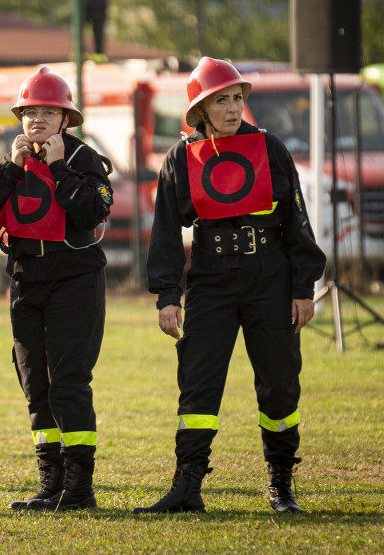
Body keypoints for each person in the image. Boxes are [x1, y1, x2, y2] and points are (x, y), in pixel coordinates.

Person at [135, 57, 327, 516]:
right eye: (222, 100)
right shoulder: (181, 157)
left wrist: (303, 288)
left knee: (279, 386)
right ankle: (187, 487)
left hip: (271, 279)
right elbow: (164, 233)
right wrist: (167, 296)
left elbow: (297, 221)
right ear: (201, 109)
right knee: (197, 385)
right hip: (210, 280)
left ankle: (281, 485)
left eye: (238, 98)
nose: (233, 107)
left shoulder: (271, 147)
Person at [0, 66, 113, 512]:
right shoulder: (13, 162)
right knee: (35, 383)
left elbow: (91, 210)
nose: (37, 121)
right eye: (30, 112)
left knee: (69, 383)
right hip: (27, 281)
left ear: (65, 118)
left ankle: (80, 488)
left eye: (48, 112)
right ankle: (50, 481)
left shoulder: (84, 159)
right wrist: (13, 169)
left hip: (75, 282)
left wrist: (56, 167)